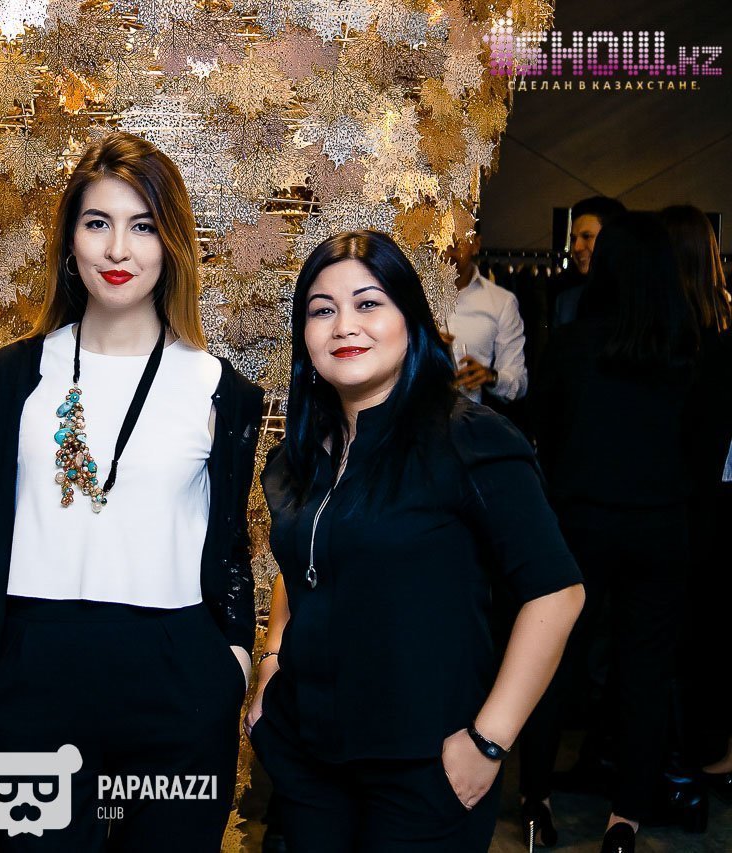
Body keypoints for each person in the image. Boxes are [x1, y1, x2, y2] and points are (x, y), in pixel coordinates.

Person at [0, 131, 263, 851]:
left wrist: (231, 660)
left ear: (172, 244)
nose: (118, 249)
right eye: (98, 223)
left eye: (143, 226)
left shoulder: (220, 390)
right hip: (33, 672)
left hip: (175, 679)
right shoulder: (13, 375)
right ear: (71, 242)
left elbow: (229, 545)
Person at [246, 230, 584, 852]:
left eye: (368, 303)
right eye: (322, 310)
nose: (345, 325)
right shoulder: (297, 457)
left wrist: (488, 742)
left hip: (425, 767)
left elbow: (557, 594)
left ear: (411, 319)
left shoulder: (469, 439)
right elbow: (305, 567)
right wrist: (271, 663)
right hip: (307, 758)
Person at [525, 212, 702, 852]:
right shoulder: (687, 352)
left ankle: (536, 802)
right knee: (645, 673)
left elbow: (542, 433)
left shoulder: (574, 345)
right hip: (661, 526)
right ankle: (624, 820)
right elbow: (699, 451)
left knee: (556, 661)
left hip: (581, 522)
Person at [660, 204, 732, 796]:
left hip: (690, 501)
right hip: (718, 498)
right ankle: (712, 750)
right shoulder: (723, 324)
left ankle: (704, 753)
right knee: (711, 631)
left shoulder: (681, 336)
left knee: (690, 633)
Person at [442, 229, 528, 406]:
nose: (447, 251)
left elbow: (519, 384)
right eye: (440, 242)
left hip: (470, 417)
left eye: (456, 243)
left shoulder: (501, 302)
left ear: (476, 244)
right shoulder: (410, 297)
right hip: (414, 418)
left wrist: (490, 377)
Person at [550, 197, 627, 328]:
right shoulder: (566, 302)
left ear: (613, 240)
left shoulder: (636, 299)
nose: (577, 247)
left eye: (587, 236)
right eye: (573, 239)